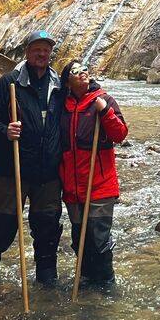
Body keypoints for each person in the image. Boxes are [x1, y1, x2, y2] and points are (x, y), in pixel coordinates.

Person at [0, 30, 63, 292]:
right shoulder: (9, 82)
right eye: (37, 48)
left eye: (46, 49)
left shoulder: (58, 86)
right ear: (27, 51)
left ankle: (47, 284)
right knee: (0, 228)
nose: (41, 53)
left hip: (48, 174)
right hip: (12, 170)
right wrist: (4, 131)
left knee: (47, 230)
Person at [59, 60, 128, 284]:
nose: (83, 73)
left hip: (99, 184)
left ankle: (106, 284)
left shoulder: (104, 100)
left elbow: (120, 134)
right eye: (75, 71)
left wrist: (105, 111)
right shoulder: (62, 105)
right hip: (72, 187)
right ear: (67, 80)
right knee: (80, 239)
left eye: (84, 69)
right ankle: (87, 279)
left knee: (99, 239)